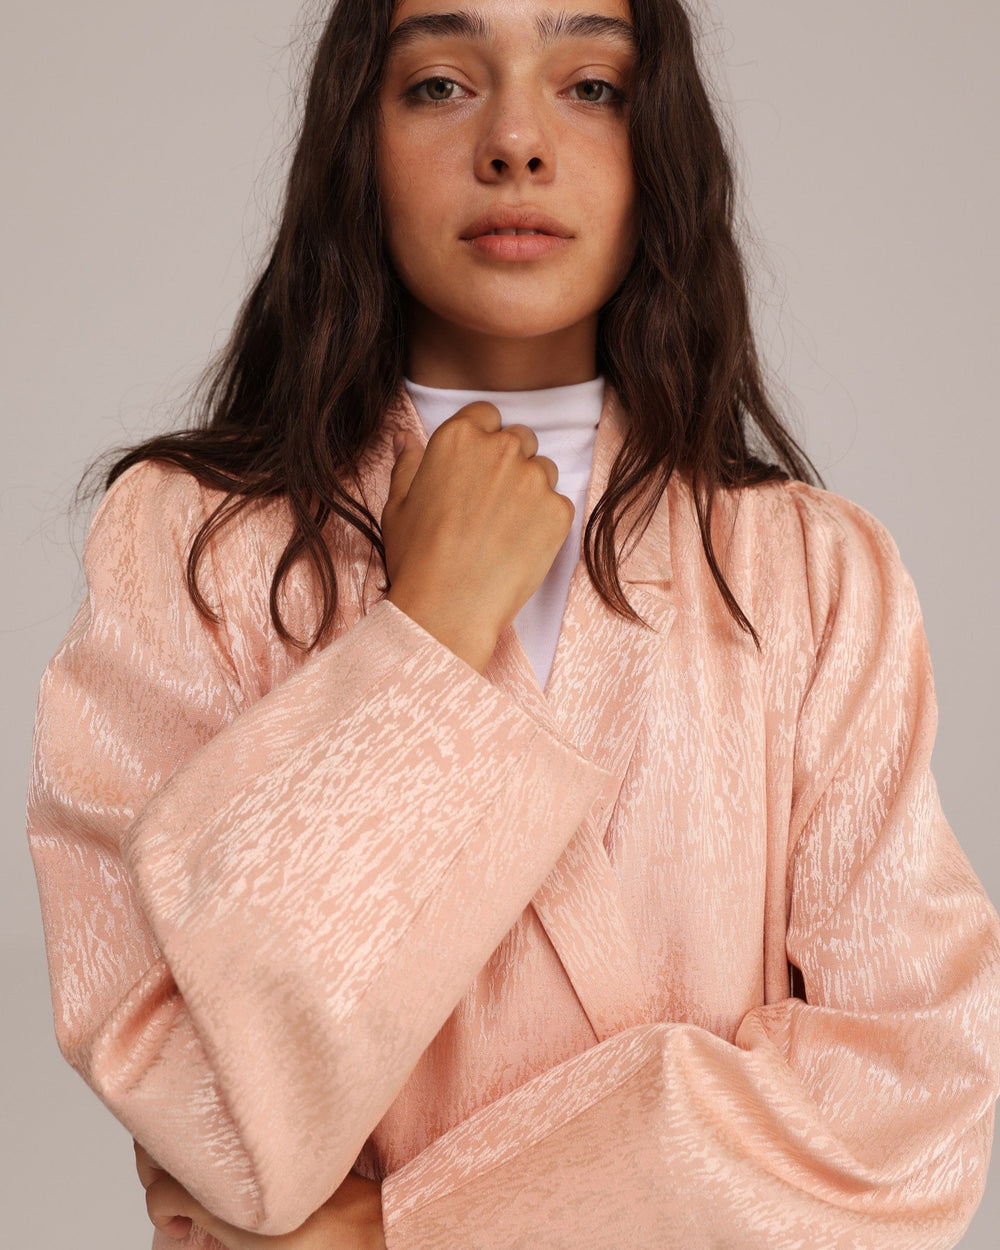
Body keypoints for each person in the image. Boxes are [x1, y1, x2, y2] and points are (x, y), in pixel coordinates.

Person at [25, 0, 1000, 1247]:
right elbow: (193, 1087)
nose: (516, 140)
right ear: (353, 144)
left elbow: (909, 1098)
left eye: (590, 84)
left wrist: (405, 1232)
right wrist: (422, 638)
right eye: (438, 83)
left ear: (664, 148)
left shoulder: (812, 573)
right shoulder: (190, 544)